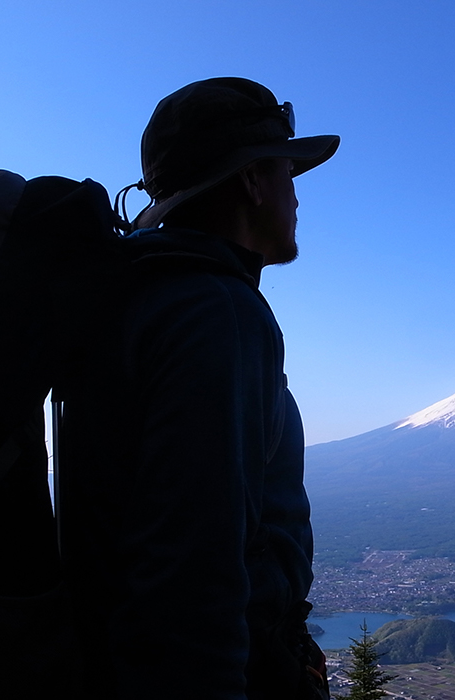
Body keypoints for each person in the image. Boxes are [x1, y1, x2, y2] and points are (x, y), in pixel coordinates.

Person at [58, 77, 339, 699]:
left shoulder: (135, 294)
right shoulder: (216, 310)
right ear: (251, 180)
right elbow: (193, 572)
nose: (296, 197)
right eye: (287, 173)